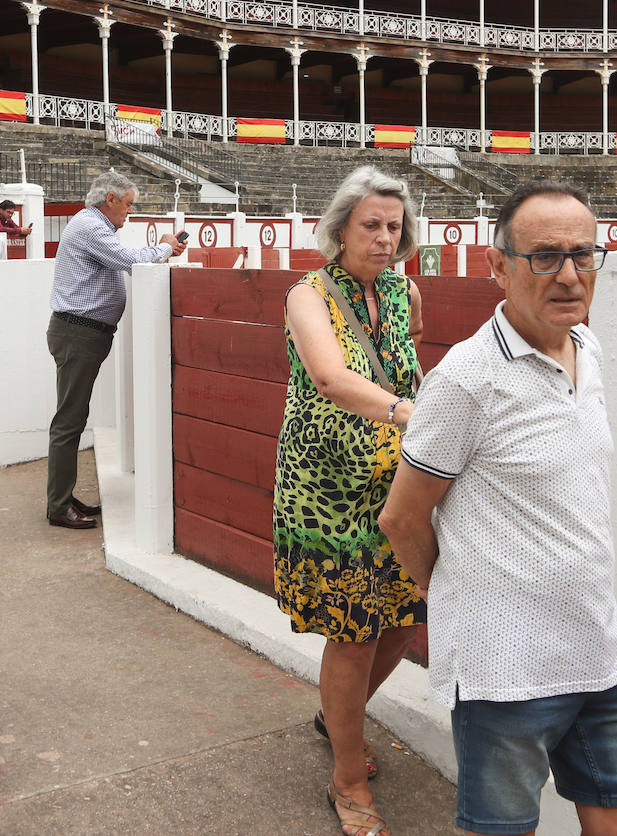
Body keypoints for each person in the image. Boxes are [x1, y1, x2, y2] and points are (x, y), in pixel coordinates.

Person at [378, 182, 617, 836]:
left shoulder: (588, 349)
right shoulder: (466, 379)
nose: (568, 275)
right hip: (504, 672)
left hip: (600, 651)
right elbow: (401, 517)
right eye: (544, 257)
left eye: (583, 255)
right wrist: (450, 589)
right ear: (497, 265)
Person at [273, 165, 425, 836]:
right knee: (355, 630)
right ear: (338, 230)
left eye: (395, 227)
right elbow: (331, 378)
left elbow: (407, 359)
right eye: (372, 225)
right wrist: (408, 415)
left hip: (392, 485)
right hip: (327, 492)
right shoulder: (308, 295)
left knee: (401, 616)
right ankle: (346, 777)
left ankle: (339, 719)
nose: (385, 238)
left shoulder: (403, 294)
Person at [46, 170, 186, 530]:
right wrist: (167, 247)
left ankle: (61, 497)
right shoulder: (91, 227)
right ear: (110, 200)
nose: (129, 212)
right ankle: (58, 505)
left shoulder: (92, 225)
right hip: (80, 333)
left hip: (83, 332)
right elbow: (130, 259)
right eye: (127, 205)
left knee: (72, 417)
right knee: (69, 420)